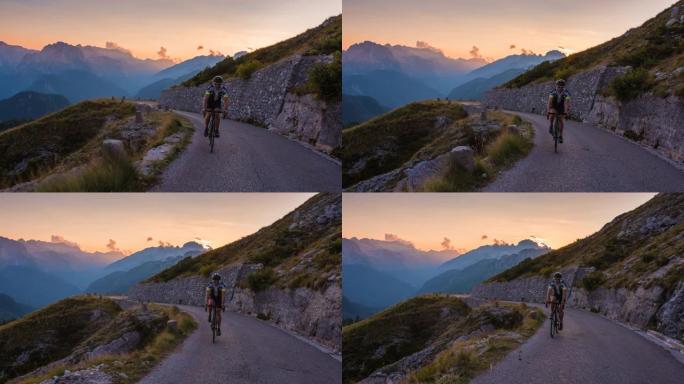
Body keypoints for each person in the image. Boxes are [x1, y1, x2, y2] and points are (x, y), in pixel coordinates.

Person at [547, 79, 571, 143]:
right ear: (556, 86)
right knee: (552, 114)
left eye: (561, 87)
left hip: (561, 106)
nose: (560, 88)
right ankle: (551, 125)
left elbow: (567, 103)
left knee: (561, 120)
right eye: (558, 86)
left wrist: (567, 113)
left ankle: (560, 135)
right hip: (554, 105)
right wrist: (548, 112)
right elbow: (549, 102)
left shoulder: (566, 93)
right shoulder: (553, 92)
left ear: (564, 87)